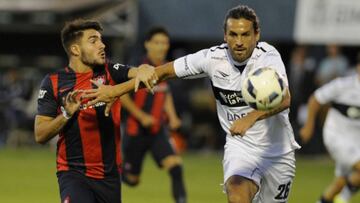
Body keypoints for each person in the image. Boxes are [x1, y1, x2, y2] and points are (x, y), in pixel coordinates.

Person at [83, 5, 301, 203]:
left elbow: (285, 98)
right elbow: (163, 72)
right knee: (237, 193)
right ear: (225, 35)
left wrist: (251, 117)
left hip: (277, 152)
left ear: (257, 35)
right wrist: (115, 91)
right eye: (233, 34)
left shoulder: (268, 57)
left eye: (245, 34)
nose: (239, 41)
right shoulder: (213, 58)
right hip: (241, 147)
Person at [34, 19, 157, 203]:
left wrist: (145, 69)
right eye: (93, 41)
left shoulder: (109, 71)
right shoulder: (53, 82)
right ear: (75, 49)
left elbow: (138, 71)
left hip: (110, 177)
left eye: (101, 39)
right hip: (73, 174)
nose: (102, 45)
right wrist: (66, 114)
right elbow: (40, 134)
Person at [120, 27, 186, 203]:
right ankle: (118, 172)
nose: (161, 47)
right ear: (147, 44)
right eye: (157, 42)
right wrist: (141, 116)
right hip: (135, 131)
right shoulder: (137, 66)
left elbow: (165, 93)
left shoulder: (165, 68)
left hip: (158, 130)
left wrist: (172, 117)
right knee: (132, 181)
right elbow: (122, 94)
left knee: (176, 167)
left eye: (164, 43)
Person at [300, 53, 360, 203]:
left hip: (356, 140)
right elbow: (316, 99)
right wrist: (308, 126)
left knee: (340, 182)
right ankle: (344, 200)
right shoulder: (342, 85)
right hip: (336, 136)